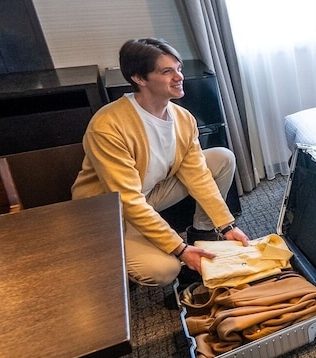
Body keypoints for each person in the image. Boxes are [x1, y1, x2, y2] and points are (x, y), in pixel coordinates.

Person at [72, 38, 249, 287]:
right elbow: (127, 200)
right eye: (167, 72)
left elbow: (197, 174)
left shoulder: (183, 118)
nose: (179, 77)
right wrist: (179, 248)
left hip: (148, 195)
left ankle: (202, 235)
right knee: (165, 270)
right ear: (139, 78)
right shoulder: (108, 125)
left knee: (221, 158)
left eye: (179, 68)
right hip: (110, 213)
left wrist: (226, 226)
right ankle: (112, 256)